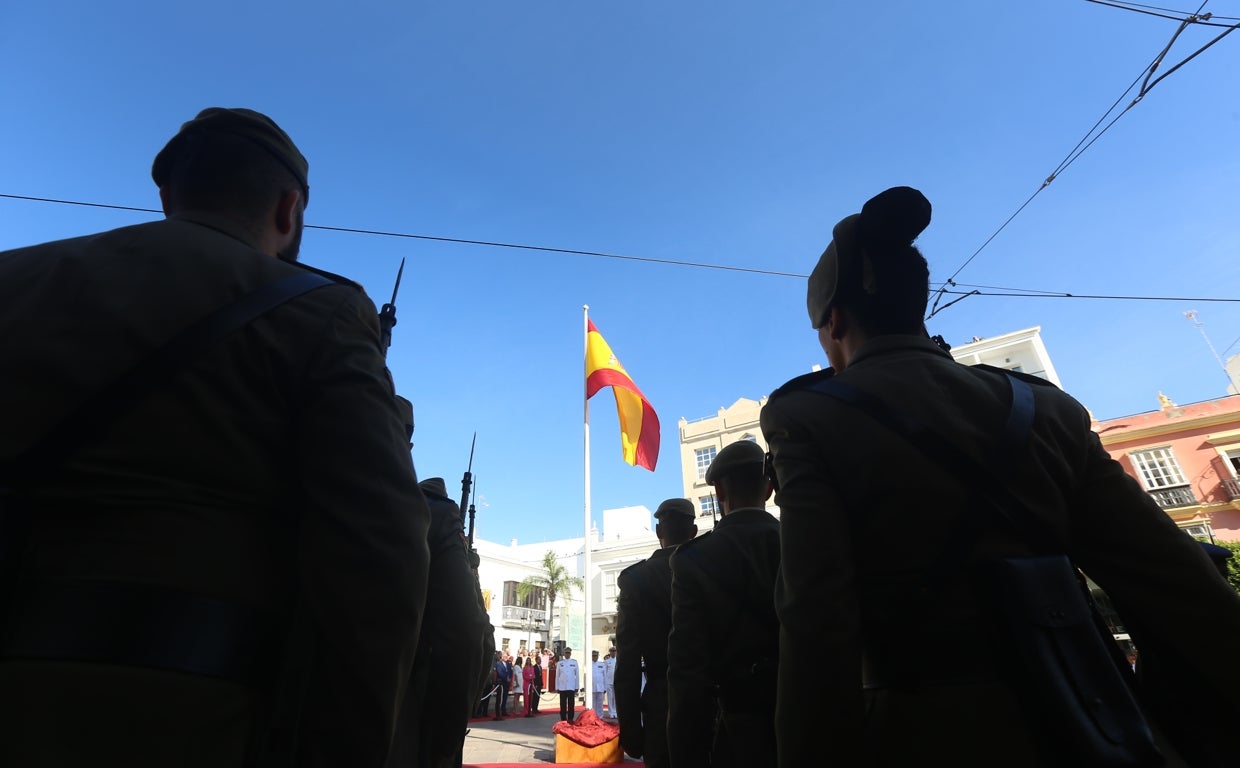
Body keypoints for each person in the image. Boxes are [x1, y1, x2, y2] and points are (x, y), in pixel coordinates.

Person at [0, 107, 431, 767]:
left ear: (169, 194)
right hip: (180, 711)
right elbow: (377, 553)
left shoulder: (16, 279)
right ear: (288, 209)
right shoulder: (325, 310)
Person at [760, 186, 1240, 766]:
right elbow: (1177, 584)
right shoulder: (1048, 407)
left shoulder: (807, 416)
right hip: (1095, 720)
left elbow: (817, 619)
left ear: (833, 322)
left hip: (929, 731)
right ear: (917, 304)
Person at [667, 441, 780, 768]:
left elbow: (687, 673)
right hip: (807, 719)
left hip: (737, 730)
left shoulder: (692, 560)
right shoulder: (802, 544)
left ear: (718, 492)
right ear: (770, 488)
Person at [388, 475, 492, 768]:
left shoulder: (388, 504)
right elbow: (472, 633)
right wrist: (449, 734)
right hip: (415, 705)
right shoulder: (441, 517)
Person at [615, 498, 698, 768]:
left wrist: (630, 729)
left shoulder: (637, 579)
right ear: (694, 531)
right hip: (710, 707)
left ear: (659, 532)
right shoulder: (713, 566)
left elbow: (627, 664)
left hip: (661, 708)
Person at [555, 647, 580, 721]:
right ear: (564, 653)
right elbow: (557, 676)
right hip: (562, 687)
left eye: (568, 653)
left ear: (570, 654)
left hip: (571, 686)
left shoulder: (574, 662)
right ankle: (563, 719)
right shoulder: (560, 663)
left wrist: (577, 686)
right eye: (566, 653)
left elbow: (577, 675)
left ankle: (570, 718)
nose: (567, 654)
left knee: (571, 704)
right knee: (562, 704)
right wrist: (557, 687)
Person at [491, 651, 511, 720]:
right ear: (501, 657)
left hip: (507, 683)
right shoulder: (498, 664)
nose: (506, 658)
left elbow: (510, 672)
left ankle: (503, 710)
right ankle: (499, 713)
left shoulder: (508, 664)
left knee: (505, 697)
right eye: (504, 656)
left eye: (506, 656)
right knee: (500, 699)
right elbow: (500, 673)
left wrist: (509, 677)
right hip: (501, 683)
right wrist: (506, 678)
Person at [524, 651, 541, 716]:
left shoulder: (534, 667)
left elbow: (535, 675)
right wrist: (530, 678)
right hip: (528, 684)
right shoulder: (528, 668)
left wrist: (540, 683)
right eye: (527, 660)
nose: (528, 661)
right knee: (528, 698)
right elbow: (525, 676)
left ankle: (534, 709)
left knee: (535, 697)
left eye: (529, 660)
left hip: (533, 684)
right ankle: (529, 710)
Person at [590, 649, 607, 718]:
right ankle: (593, 716)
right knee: (593, 703)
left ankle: (600, 716)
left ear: (598, 656)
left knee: (600, 703)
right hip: (592, 687)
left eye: (596, 656)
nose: (595, 657)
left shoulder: (602, 664)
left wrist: (605, 687)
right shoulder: (589, 665)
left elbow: (604, 677)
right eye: (593, 656)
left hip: (600, 687)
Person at [604, 646, 619, 720]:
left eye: (614, 651)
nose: (613, 652)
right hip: (609, 682)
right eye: (612, 651)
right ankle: (611, 713)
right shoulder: (607, 661)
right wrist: (605, 682)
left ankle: (615, 712)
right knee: (610, 698)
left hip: (616, 682)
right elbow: (605, 672)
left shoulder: (618, 660)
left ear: (616, 652)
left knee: (616, 698)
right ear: (610, 652)